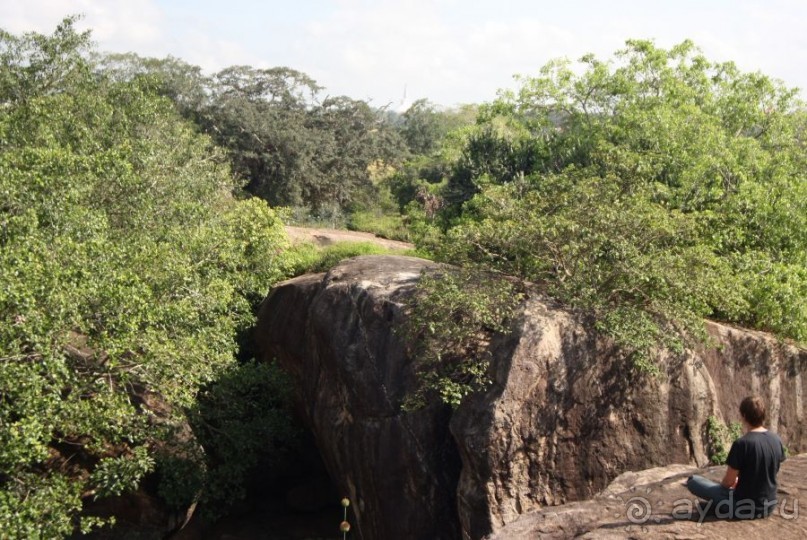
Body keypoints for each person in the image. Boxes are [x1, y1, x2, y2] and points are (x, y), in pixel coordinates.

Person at [686, 396, 786, 519]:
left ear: (743, 416)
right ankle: (717, 506)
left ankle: (719, 506)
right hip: (769, 506)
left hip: (743, 507)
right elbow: (771, 471)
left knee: (693, 481)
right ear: (763, 415)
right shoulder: (776, 439)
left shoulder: (742, 443)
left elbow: (728, 482)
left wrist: (730, 485)